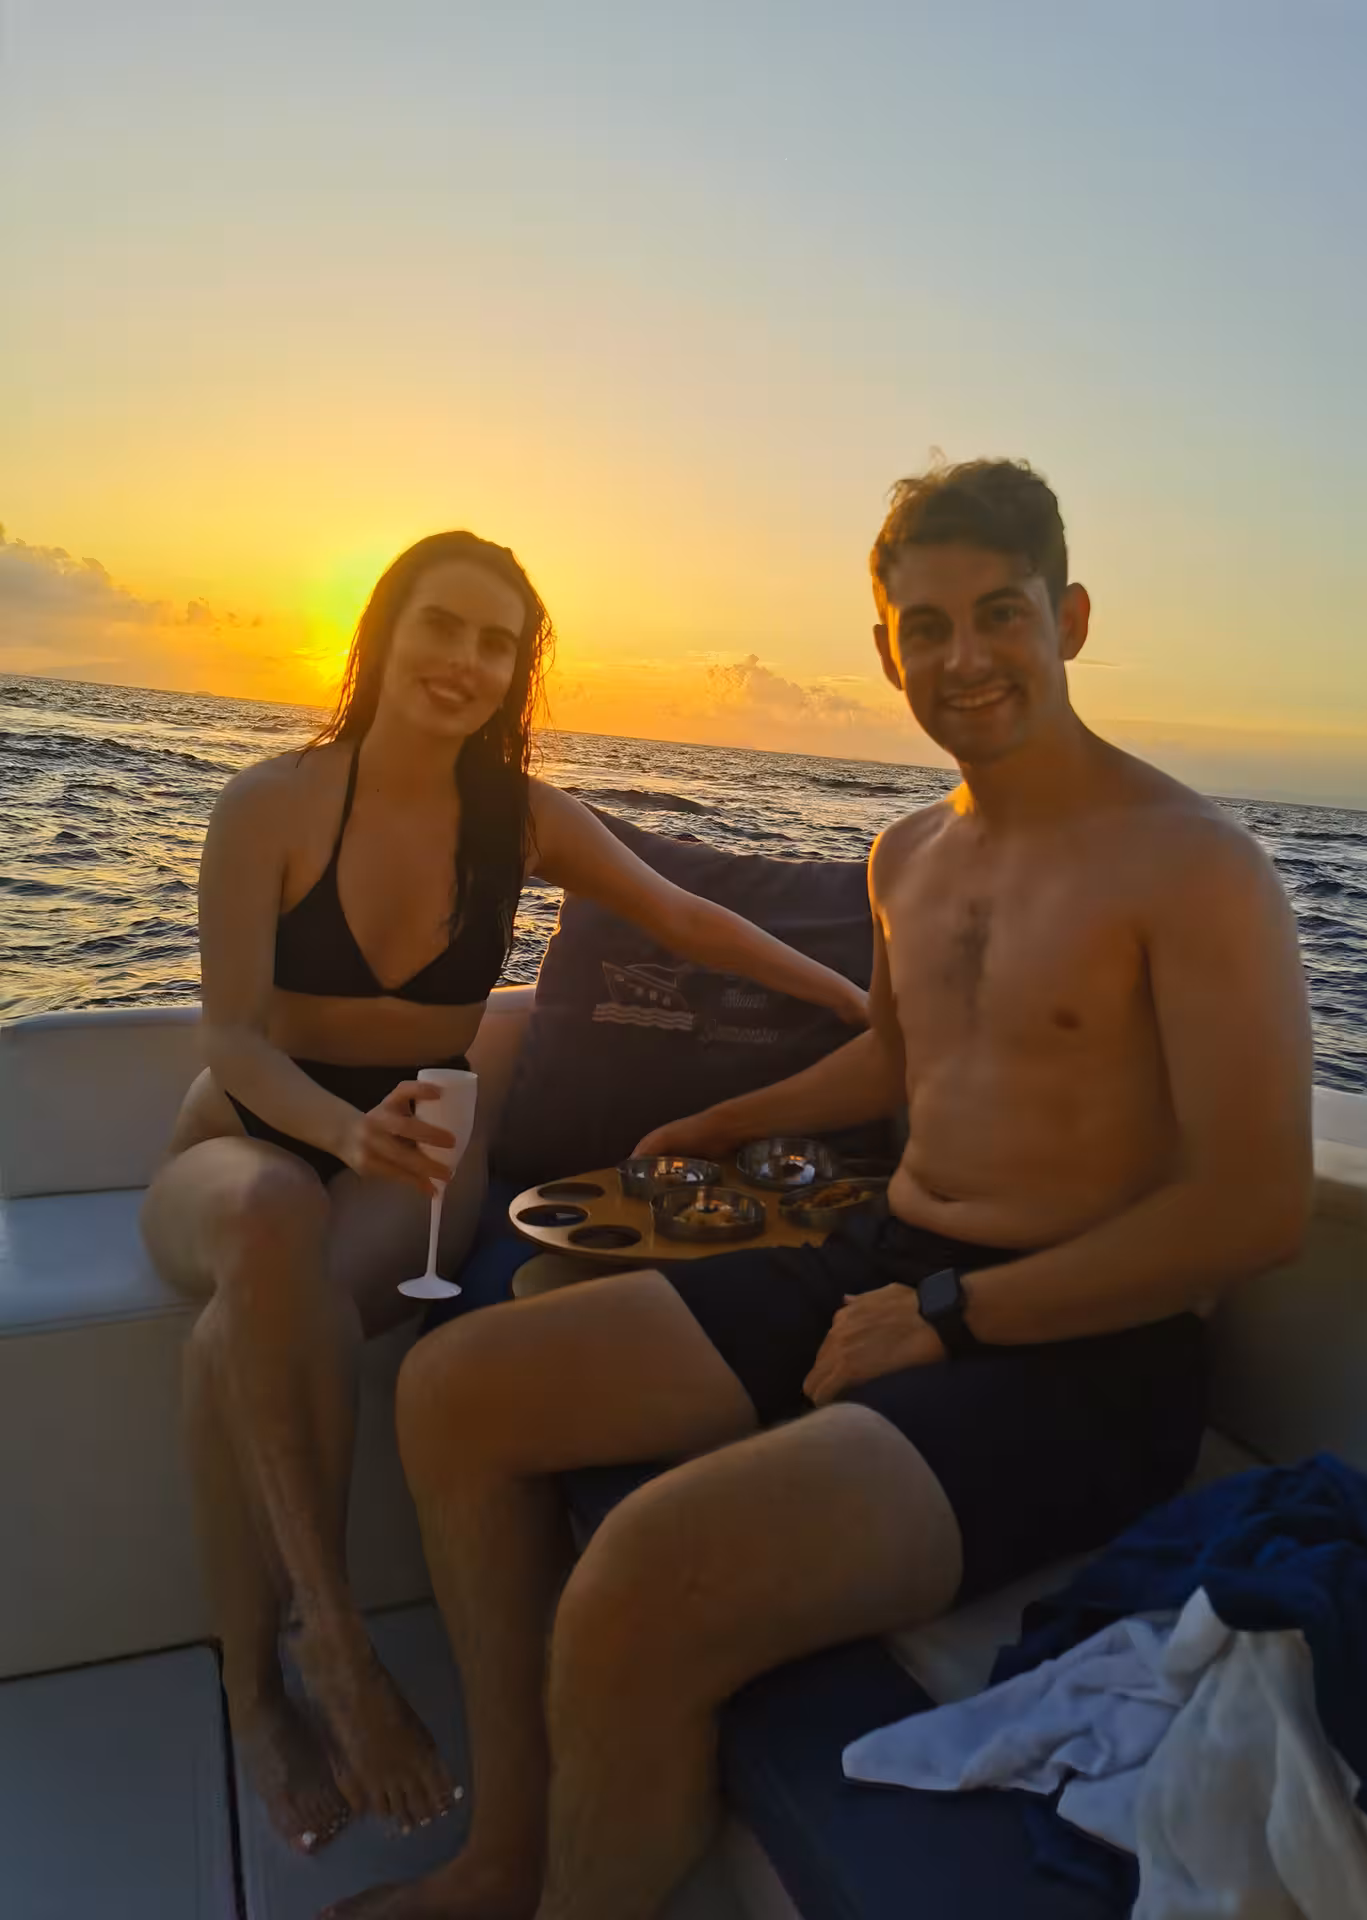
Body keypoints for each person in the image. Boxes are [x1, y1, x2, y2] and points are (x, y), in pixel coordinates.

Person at [327, 463, 1314, 1920]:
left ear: (1074, 618)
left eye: (1001, 615)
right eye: (926, 627)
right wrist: (719, 1121)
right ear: (883, 651)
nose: (963, 659)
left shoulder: (1196, 869)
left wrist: (953, 1315)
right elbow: (899, 1069)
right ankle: (507, 1852)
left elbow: (1249, 1213)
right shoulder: (905, 854)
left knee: (648, 1572)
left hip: (1083, 1357)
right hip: (888, 1257)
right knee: (453, 1390)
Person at [139, 530, 868, 1857]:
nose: (466, 662)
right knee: (263, 1221)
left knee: (239, 1330)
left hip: (404, 1162)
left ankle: (258, 1685)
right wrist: (347, 1137)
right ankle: (328, 1650)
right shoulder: (274, 803)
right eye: (444, 627)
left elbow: (685, 920)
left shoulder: (520, 822)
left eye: (498, 644)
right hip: (240, 1143)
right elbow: (232, 1041)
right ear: (380, 633)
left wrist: (861, 1001)